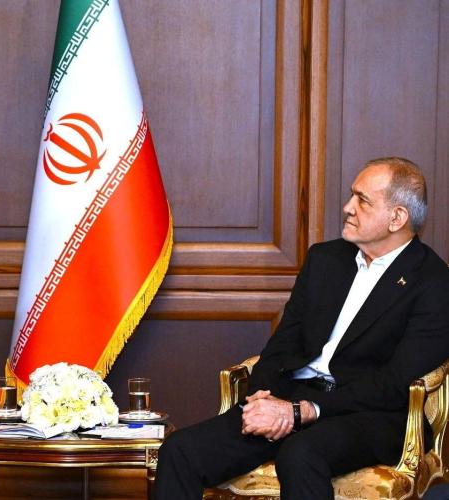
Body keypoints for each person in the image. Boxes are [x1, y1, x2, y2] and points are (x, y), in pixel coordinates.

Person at [155, 157, 449, 499]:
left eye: (363, 200)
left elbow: (393, 384)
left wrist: (305, 411)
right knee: (180, 450)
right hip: (291, 398)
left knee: (301, 455)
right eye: (352, 195)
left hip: (371, 415)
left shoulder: (433, 283)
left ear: (397, 218)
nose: (348, 207)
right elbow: (283, 344)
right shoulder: (325, 260)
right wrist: (264, 398)